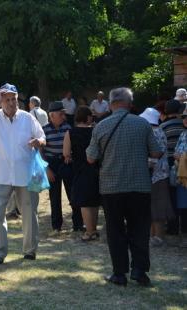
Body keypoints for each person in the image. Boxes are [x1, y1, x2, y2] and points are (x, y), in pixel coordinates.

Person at [87, 87, 162, 287]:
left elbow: (91, 157)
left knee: (115, 230)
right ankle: (139, 271)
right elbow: (156, 153)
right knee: (140, 229)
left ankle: (119, 273)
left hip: (112, 186)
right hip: (139, 186)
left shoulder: (101, 126)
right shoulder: (143, 124)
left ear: (110, 104)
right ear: (130, 104)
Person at [0, 83, 45, 264]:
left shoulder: (27, 117)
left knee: (29, 213)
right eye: (6, 99)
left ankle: (30, 250)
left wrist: (38, 141)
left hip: (25, 174)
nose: (11, 102)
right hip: (0, 174)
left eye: (13, 99)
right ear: (1, 101)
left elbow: (42, 136)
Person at [43, 101, 83, 233]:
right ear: (52, 115)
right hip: (52, 164)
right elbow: (40, 152)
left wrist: (70, 155)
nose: (63, 117)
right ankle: (56, 226)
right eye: (61, 114)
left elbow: (75, 147)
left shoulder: (68, 128)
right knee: (54, 197)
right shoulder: (44, 130)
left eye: (64, 114)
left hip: (66, 163)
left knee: (73, 194)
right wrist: (47, 169)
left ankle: (78, 224)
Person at [63, 106, 100, 241]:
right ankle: (94, 229)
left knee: (84, 202)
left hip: (80, 168)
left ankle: (89, 231)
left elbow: (66, 153)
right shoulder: (95, 131)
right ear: (87, 117)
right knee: (95, 200)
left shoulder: (70, 133)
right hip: (96, 168)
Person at [138, 108, 174, 247]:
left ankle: (158, 236)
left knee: (157, 206)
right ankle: (154, 235)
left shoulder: (153, 132)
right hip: (158, 173)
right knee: (153, 206)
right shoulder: (157, 131)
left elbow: (156, 154)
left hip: (156, 174)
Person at [160, 99, 186, 235]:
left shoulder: (163, 127)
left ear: (166, 111)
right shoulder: (183, 126)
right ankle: (184, 226)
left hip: (169, 163)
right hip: (183, 166)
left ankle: (173, 226)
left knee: (171, 196)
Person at [173, 109, 187, 247]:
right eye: (184, 117)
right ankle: (184, 235)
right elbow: (176, 151)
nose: (185, 119)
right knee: (183, 208)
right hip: (182, 176)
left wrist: (181, 157)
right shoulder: (183, 133)